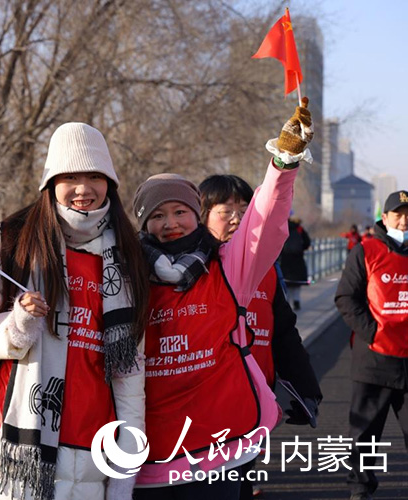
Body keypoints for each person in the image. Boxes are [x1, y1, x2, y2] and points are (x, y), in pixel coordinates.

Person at [0, 122, 149, 500]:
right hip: (11, 452)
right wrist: (18, 325)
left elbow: (130, 374)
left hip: (93, 453)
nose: (83, 188)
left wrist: (125, 471)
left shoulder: (128, 254)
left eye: (95, 175)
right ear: (51, 182)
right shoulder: (15, 239)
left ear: (110, 181)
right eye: (70, 176)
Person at [132, 99, 313, 499]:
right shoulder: (126, 274)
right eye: (158, 216)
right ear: (144, 224)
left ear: (196, 216)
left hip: (222, 448)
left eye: (180, 211)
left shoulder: (229, 266)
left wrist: (284, 163)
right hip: (150, 455)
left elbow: (263, 222)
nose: (170, 223)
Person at [198, 173, 322, 500]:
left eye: (245, 208)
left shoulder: (266, 270)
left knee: (241, 482)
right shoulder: (189, 270)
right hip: (206, 410)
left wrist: (307, 391)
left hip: (254, 402)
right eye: (226, 210)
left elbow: (283, 333)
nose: (238, 218)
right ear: (203, 215)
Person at [334, 190, 408, 500]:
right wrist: (373, 332)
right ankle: (360, 487)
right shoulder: (365, 251)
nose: (404, 220)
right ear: (386, 217)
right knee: (364, 434)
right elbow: (346, 298)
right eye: (398, 214)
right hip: (374, 359)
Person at [278, 215, 311, 310]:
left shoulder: (282, 228)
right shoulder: (299, 228)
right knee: (297, 282)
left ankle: (286, 302)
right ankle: (296, 301)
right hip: (298, 258)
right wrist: (301, 249)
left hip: (285, 259)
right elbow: (307, 242)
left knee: (286, 281)